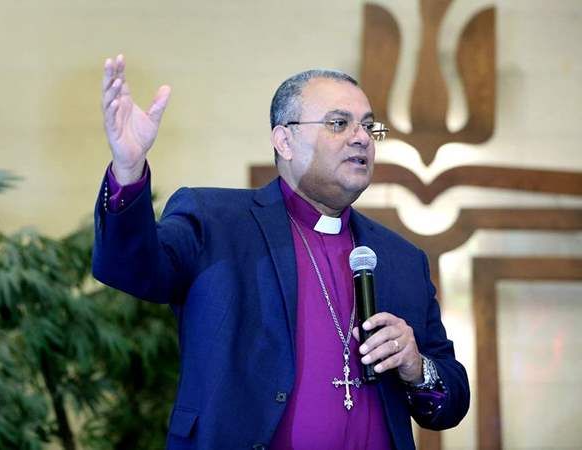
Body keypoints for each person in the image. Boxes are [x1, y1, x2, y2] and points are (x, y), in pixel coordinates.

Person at [93, 54, 469, 450]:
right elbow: (131, 270)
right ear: (284, 141)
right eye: (339, 123)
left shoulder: (402, 259)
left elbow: (452, 402)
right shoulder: (215, 220)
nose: (361, 137)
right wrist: (128, 170)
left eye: (368, 125)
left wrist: (416, 367)